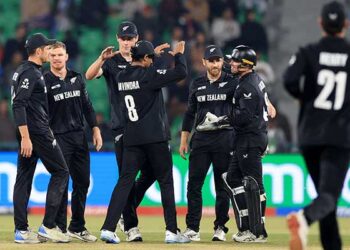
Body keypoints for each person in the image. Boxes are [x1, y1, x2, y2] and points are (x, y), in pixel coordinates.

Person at [99, 40, 190, 244]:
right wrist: (178, 55)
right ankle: (171, 231)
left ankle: (108, 228)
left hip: (132, 138)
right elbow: (181, 73)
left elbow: (142, 66)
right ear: (147, 58)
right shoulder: (150, 75)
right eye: (150, 58)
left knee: (124, 182)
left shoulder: (121, 76)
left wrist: (152, 55)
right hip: (155, 138)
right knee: (166, 181)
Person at [86, 21, 167, 242]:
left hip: (148, 130)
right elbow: (90, 75)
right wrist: (102, 58)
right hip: (123, 128)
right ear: (117, 39)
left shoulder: (144, 60)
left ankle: (125, 214)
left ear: (136, 39)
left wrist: (154, 55)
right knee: (127, 178)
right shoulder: (112, 63)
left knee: (151, 173)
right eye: (123, 38)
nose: (126, 42)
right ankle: (131, 226)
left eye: (130, 39)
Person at [284, 2, 350, 250]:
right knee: (329, 196)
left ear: (320, 23)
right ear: (346, 24)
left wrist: (305, 98)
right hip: (339, 135)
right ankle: (304, 218)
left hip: (310, 135)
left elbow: (289, 79)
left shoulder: (308, 51)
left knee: (326, 200)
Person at [11, 33, 70, 243]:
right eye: (46, 48)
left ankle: (22, 231)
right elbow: (18, 104)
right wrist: (27, 137)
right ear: (38, 51)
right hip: (36, 132)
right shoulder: (32, 74)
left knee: (24, 178)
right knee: (61, 172)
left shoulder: (23, 71)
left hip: (28, 131)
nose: (48, 51)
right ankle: (48, 225)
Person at [44, 41, 102, 242]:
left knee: (82, 182)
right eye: (53, 55)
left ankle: (77, 226)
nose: (57, 58)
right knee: (62, 182)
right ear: (48, 58)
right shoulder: (45, 81)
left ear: (66, 56)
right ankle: (58, 227)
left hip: (79, 137)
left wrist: (95, 129)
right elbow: (41, 113)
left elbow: (87, 106)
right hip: (58, 138)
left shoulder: (77, 78)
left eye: (60, 54)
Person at [179, 45, 236, 241]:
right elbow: (189, 113)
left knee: (222, 187)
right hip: (201, 141)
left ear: (223, 62)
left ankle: (220, 227)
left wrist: (267, 103)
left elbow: (251, 96)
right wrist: (184, 140)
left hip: (224, 141)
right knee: (194, 185)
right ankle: (192, 228)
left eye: (217, 60)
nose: (214, 64)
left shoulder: (233, 82)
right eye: (211, 60)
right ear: (204, 63)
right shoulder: (196, 83)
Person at [221, 45, 272, 243]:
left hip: (250, 138)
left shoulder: (247, 87)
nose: (230, 63)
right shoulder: (250, 79)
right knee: (232, 178)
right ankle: (246, 225)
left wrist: (222, 119)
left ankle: (258, 232)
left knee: (254, 184)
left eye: (234, 61)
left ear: (245, 65)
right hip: (249, 138)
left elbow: (244, 116)